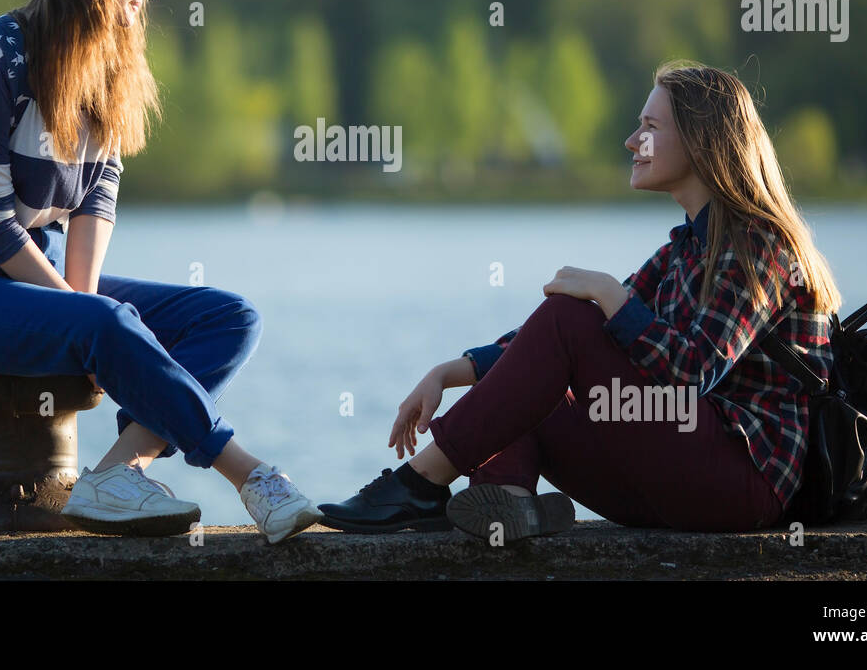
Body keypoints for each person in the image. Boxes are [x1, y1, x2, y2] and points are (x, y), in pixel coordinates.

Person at [0, 0, 321, 544]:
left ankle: (115, 476)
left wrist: (82, 308)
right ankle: (251, 476)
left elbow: (96, 199)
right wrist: (80, 315)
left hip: (27, 272)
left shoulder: (106, 72)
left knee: (229, 318)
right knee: (99, 320)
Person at [318, 61, 840, 541]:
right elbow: (544, 354)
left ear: (702, 141)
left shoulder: (758, 245)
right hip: (674, 479)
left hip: (741, 485)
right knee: (534, 381)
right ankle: (510, 499)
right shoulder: (684, 249)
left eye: (650, 129)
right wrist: (448, 372)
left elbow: (693, 372)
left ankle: (419, 484)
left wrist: (609, 294)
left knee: (571, 317)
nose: (632, 140)